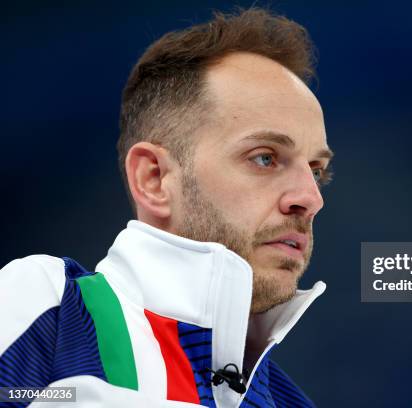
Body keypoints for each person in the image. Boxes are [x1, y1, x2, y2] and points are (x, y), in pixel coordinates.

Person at [0, 7, 333, 407]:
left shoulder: (290, 401)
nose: (311, 198)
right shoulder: (50, 312)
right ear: (154, 179)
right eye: (264, 157)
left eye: (317, 170)